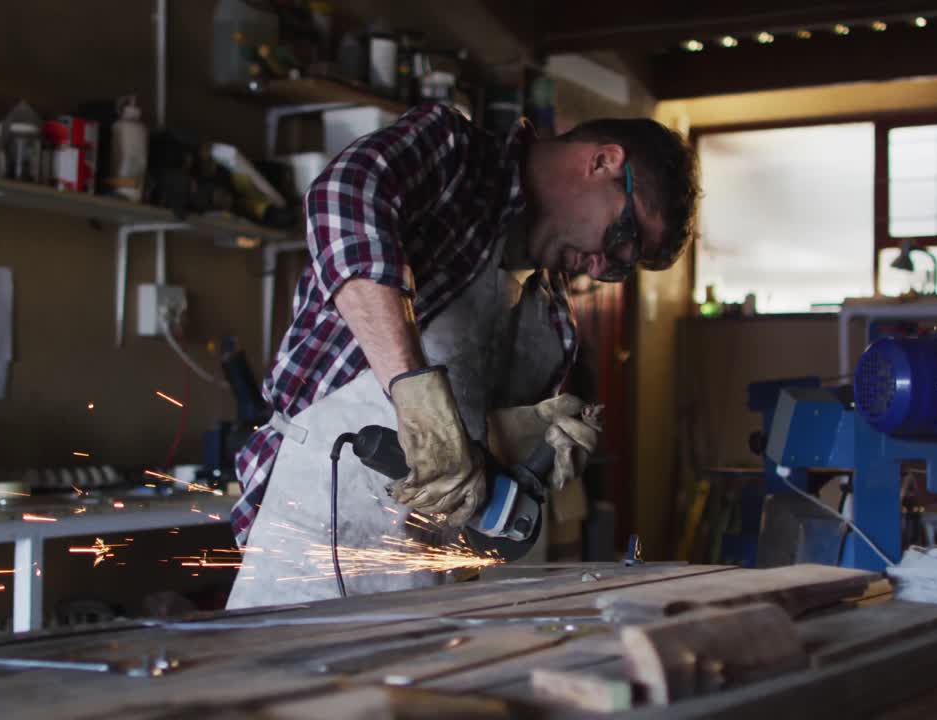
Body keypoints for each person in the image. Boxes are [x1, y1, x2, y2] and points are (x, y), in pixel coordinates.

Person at [227, 103, 699, 608]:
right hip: (314, 539)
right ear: (603, 161)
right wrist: (412, 390)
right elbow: (341, 195)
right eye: (622, 238)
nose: (604, 264)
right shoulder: (460, 159)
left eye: (622, 269)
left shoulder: (552, 318)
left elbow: (470, 483)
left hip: (434, 581)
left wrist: (523, 445)